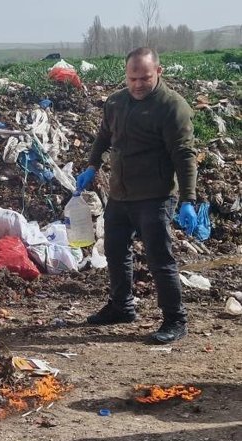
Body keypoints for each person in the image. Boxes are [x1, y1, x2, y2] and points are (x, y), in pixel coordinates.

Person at [76, 47, 198, 344]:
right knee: (115, 252)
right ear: (126, 75)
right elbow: (104, 136)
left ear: (159, 71)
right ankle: (122, 306)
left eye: (144, 77)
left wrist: (188, 200)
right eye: (132, 78)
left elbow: (184, 155)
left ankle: (175, 319)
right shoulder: (116, 102)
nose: (138, 84)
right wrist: (92, 165)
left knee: (160, 259)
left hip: (155, 196)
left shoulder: (172, 107)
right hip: (120, 194)